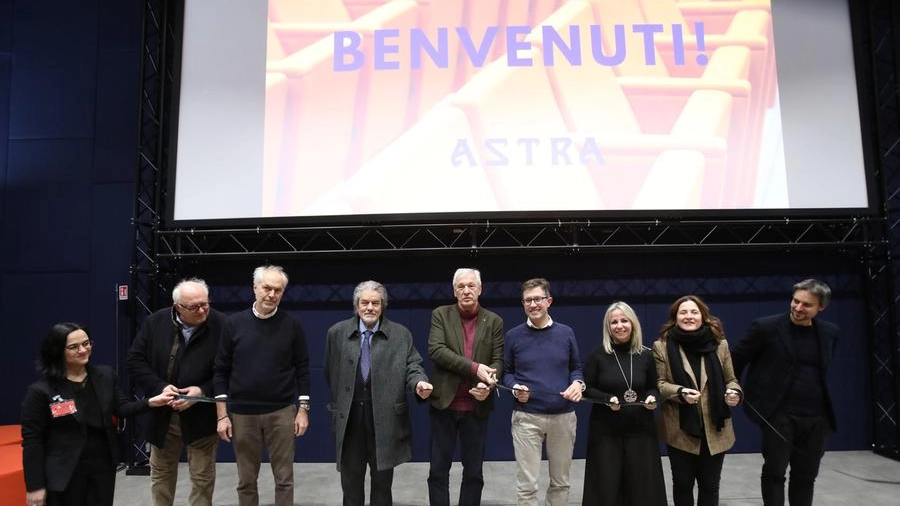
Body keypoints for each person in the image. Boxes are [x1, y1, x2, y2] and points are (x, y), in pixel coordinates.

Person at [21, 323, 174, 506]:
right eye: (73, 347)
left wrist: (150, 402)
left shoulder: (105, 376)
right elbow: (32, 441)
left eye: (86, 343)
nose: (83, 350)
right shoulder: (41, 391)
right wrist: (34, 486)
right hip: (64, 472)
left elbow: (122, 408)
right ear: (57, 351)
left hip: (102, 466)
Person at [324, 280, 434, 506]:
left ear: (383, 306)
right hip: (350, 422)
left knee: (383, 488)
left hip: (385, 424)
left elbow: (413, 366)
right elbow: (329, 371)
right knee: (351, 488)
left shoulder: (400, 334)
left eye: (375, 303)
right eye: (364, 302)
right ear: (356, 305)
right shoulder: (336, 333)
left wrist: (419, 383)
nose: (370, 308)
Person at [731, 279, 839, 506]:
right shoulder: (765, 328)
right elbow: (735, 360)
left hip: (816, 417)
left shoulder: (829, 333)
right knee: (774, 472)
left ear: (821, 307)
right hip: (778, 415)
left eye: (806, 305)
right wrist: (735, 388)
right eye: (795, 301)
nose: (798, 308)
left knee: (806, 476)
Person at [213, 265, 310, 506]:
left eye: (278, 290)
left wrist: (303, 409)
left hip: (281, 413)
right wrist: (222, 416)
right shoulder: (233, 324)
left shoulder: (292, 324)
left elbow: (303, 368)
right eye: (266, 288)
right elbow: (220, 371)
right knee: (246, 480)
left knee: (284, 479)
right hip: (243, 414)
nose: (272, 294)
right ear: (254, 288)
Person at [126, 278, 225, 506]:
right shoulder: (155, 322)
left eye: (205, 304)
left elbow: (229, 370)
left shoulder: (221, 325)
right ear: (177, 306)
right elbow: (135, 361)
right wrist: (159, 387)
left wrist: (201, 391)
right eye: (194, 307)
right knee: (161, 474)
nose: (201, 310)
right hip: (162, 414)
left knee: (202, 477)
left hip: (202, 417)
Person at [501, 278, 584, 506]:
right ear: (523, 304)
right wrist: (515, 388)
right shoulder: (513, 336)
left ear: (549, 301)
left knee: (560, 482)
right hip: (526, 418)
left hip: (563, 417)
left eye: (538, 299)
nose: (533, 304)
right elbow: (507, 373)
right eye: (528, 300)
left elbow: (576, 368)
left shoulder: (566, 333)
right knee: (527, 486)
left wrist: (578, 384)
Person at [653, 295, 742, 506]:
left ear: (703, 316)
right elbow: (660, 383)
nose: (689, 316)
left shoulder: (720, 345)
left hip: (716, 429)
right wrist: (681, 391)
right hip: (679, 429)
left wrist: (734, 393)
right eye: (683, 312)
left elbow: (731, 379)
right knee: (683, 485)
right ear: (675, 318)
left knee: (710, 486)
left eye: (694, 312)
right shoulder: (662, 346)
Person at [427, 267, 505, 506]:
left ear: (480, 289)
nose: (466, 290)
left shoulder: (494, 320)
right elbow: (436, 350)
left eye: (471, 285)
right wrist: (475, 369)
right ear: (454, 291)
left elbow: (498, 361)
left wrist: (488, 383)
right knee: (439, 471)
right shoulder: (441, 314)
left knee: (474, 472)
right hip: (445, 404)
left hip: (477, 407)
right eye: (461, 286)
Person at [582, 301, 667, 506]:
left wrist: (652, 398)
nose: (619, 326)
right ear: (607, 327)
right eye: (614, 322)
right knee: (605, 484)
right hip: (605, 430)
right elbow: (587, 387)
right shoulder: (598, 355)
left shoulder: (646, 355)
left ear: (633, 324)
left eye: (624, 321)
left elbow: (654, 386)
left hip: (641, 429)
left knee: (642, 485)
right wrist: (606, 399)